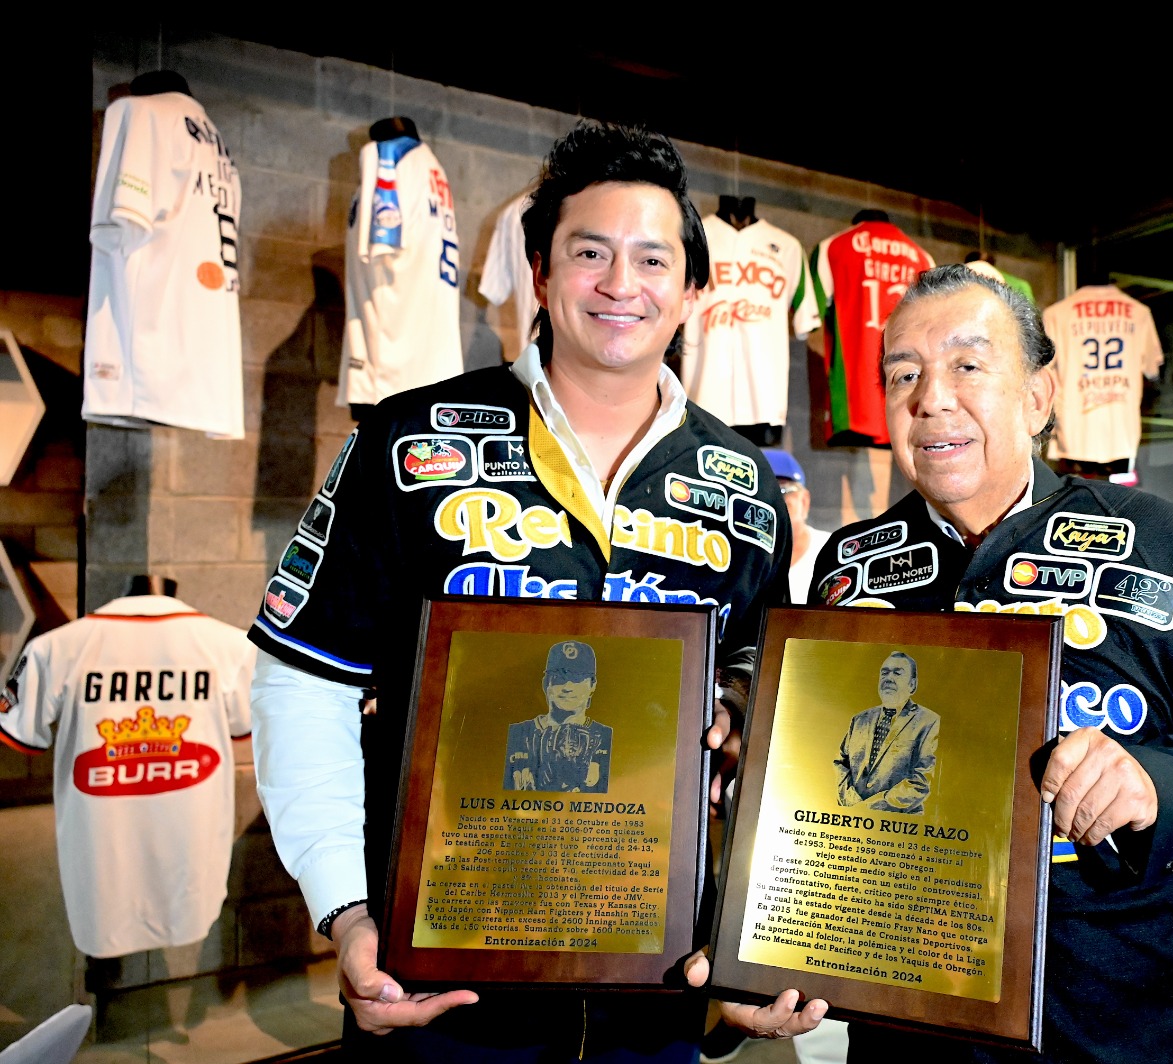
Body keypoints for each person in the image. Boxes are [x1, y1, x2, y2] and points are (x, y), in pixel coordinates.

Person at [248, 122, 822, 1062]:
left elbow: (771, 727)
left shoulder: (748, 489)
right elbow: (301, 683)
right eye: (588, 253)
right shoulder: (406, 442)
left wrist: (772, 939)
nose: (619, 285)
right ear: (543, 275)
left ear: (693, 291)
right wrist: (347, 912)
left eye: (651, 259)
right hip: (444, 990)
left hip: (656, 1000)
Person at [793, 264, 1173, 1062]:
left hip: (1124, 1016)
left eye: (969, 366)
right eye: (904, 373)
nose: (931, 397)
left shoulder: (1171, 548)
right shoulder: (849, 567)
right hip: (911, 1021)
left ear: (1039, 397)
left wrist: (1153, 783)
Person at [834, 651, 939, 814]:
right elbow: (840, 763)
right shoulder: (859, 719)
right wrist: (849, 799)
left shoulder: (929, 722)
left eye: (897, 673)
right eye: (884, 673)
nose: (888, 678)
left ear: (912, 684)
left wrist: (874, 805)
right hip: (852, 817)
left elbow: (922, 781)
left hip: (898, 823)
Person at [504, 640, 612, 793]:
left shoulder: (607, 738)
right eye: (559, 677)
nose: (568, 687)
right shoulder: (516, 734)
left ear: (593, 685)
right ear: (545, 683)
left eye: (577, 678)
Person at [762, 448, 827, 601]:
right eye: (761, 493)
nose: (773, 503)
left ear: (804, 501)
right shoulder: (740, 557)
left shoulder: (829, 551)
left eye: (783, 490)